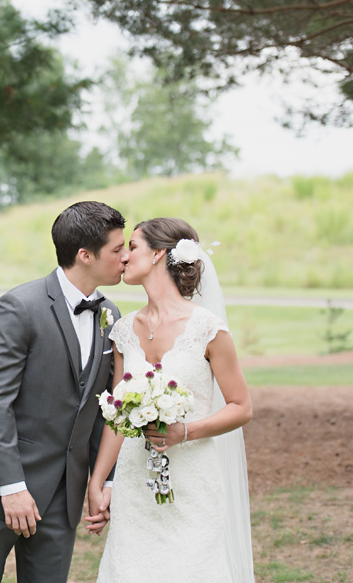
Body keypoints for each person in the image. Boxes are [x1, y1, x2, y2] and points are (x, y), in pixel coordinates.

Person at [0, 201, 128, 583]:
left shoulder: (110, 315)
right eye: (117, 249)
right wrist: (10, 488)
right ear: (85, 255)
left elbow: (99, 409)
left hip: (64, 496)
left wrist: (103, 480)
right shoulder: (19, 307)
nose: (126, 257)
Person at [85, 217, 255, 582]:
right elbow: (118, 417)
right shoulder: (124, 331)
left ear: (159, 254)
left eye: (132, 247)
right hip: (134, 481)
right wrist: (98, 482)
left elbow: (242, 406)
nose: (124, 257)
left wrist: (185, 431)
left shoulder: (208, 329)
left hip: (192, 478)